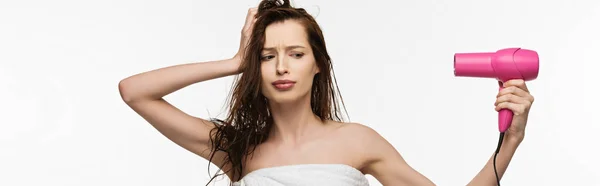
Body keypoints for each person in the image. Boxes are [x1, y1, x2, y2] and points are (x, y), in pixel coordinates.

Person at [118, 0, 535, 185]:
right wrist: (233, 61)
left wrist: (508, 145)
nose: (281, 66)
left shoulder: (356, 141)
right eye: (266, 57)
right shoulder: (238, 149)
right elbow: (135, 92)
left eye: (295, 53)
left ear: (317, 64)